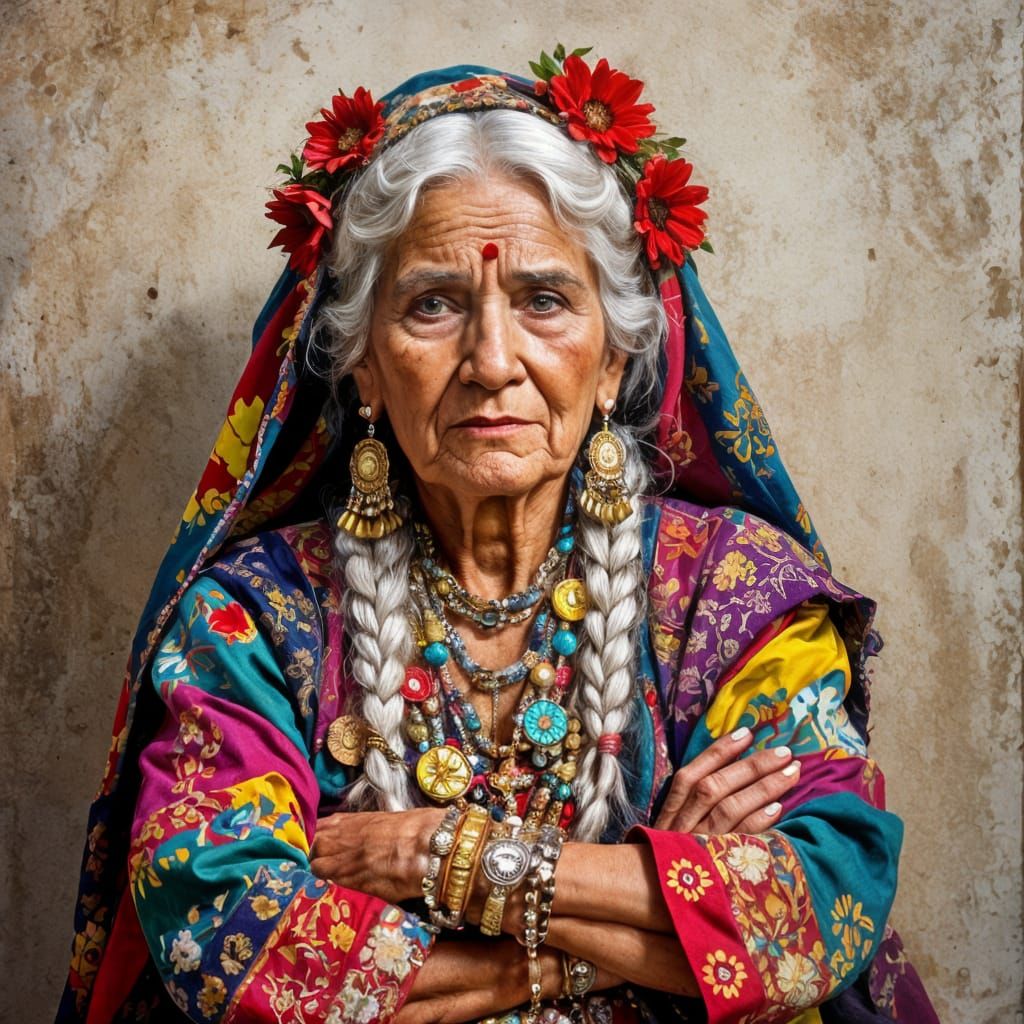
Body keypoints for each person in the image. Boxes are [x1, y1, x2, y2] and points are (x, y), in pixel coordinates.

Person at [56, 53, 938, 1024]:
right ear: (362, 366)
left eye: (544, 300)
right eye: (432, 303)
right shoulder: (252, 620)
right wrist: (639, 920)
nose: (490, 360)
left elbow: (817, 906)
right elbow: (232, 943)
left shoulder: (731, 595)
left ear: (615, 359)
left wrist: (433, 854)